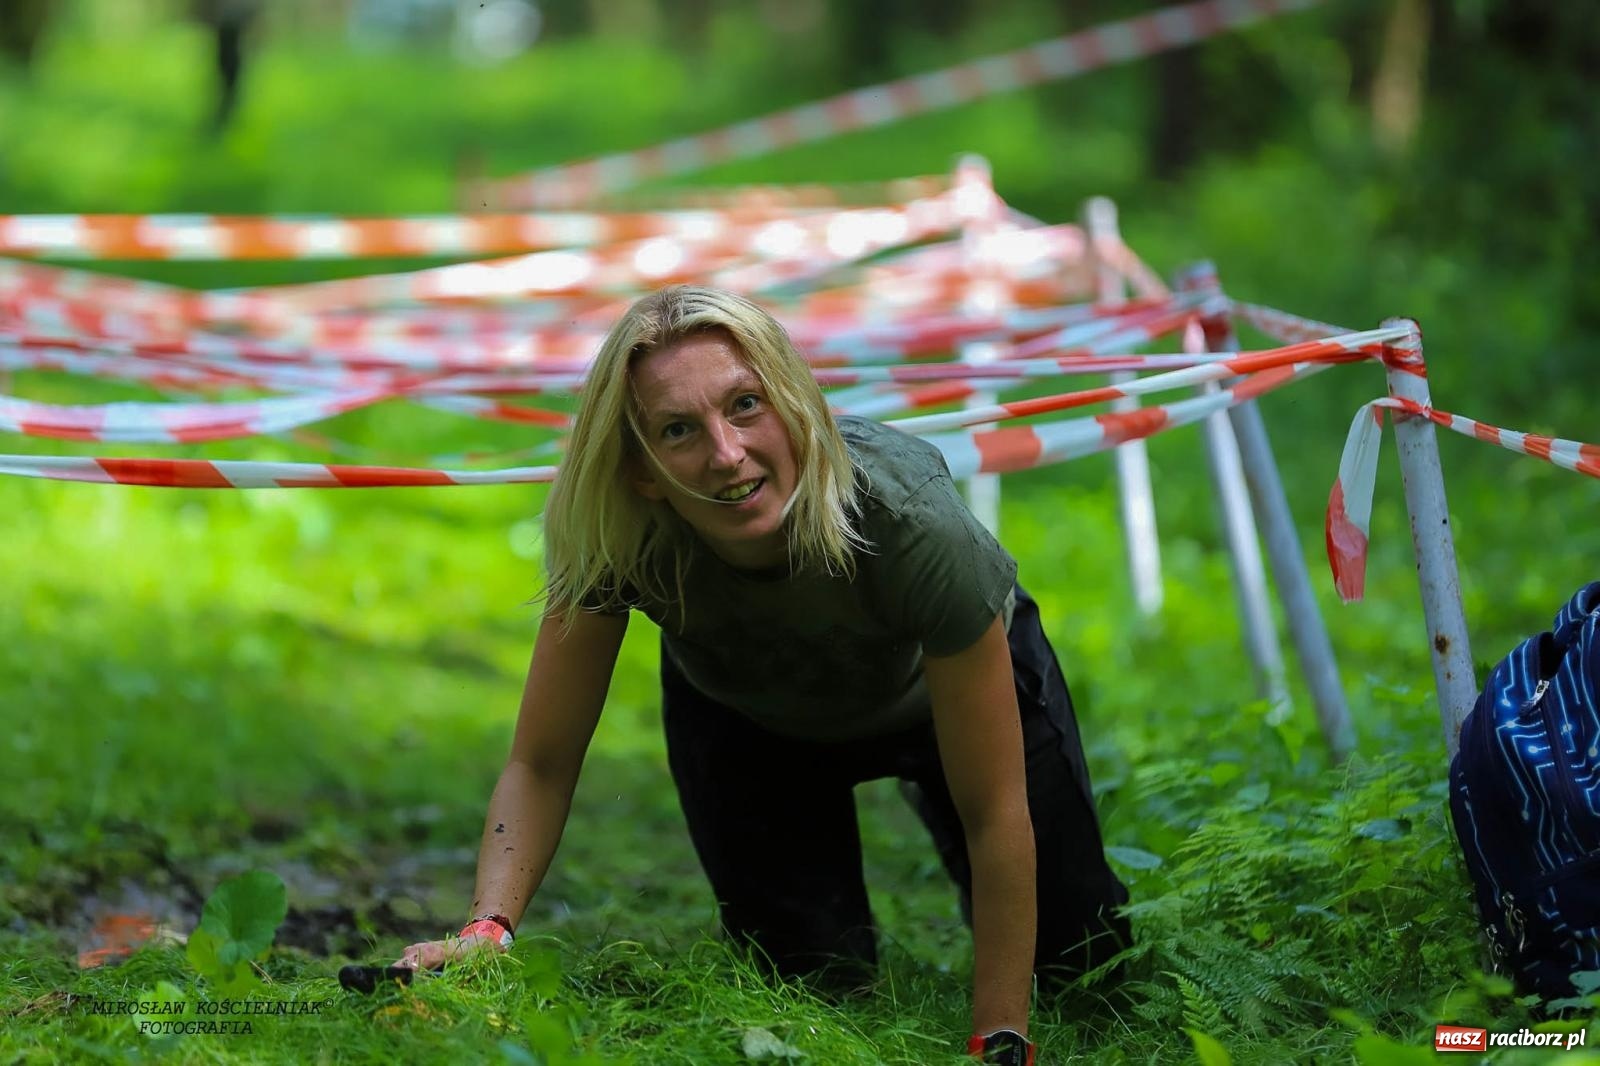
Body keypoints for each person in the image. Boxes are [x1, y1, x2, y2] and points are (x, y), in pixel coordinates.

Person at [398, 285, 1130, 1064]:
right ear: (642, 472)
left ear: (793, 404)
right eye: (678, 430)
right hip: (752, 725)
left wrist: (999, 1037)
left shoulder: (912, 523)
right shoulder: (620, 537)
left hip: (935, 696)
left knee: (1088, 971)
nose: (724, 454)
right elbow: (540, 763)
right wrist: (488, 927)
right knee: (809, 994)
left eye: (745, 405)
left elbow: (993, 810)